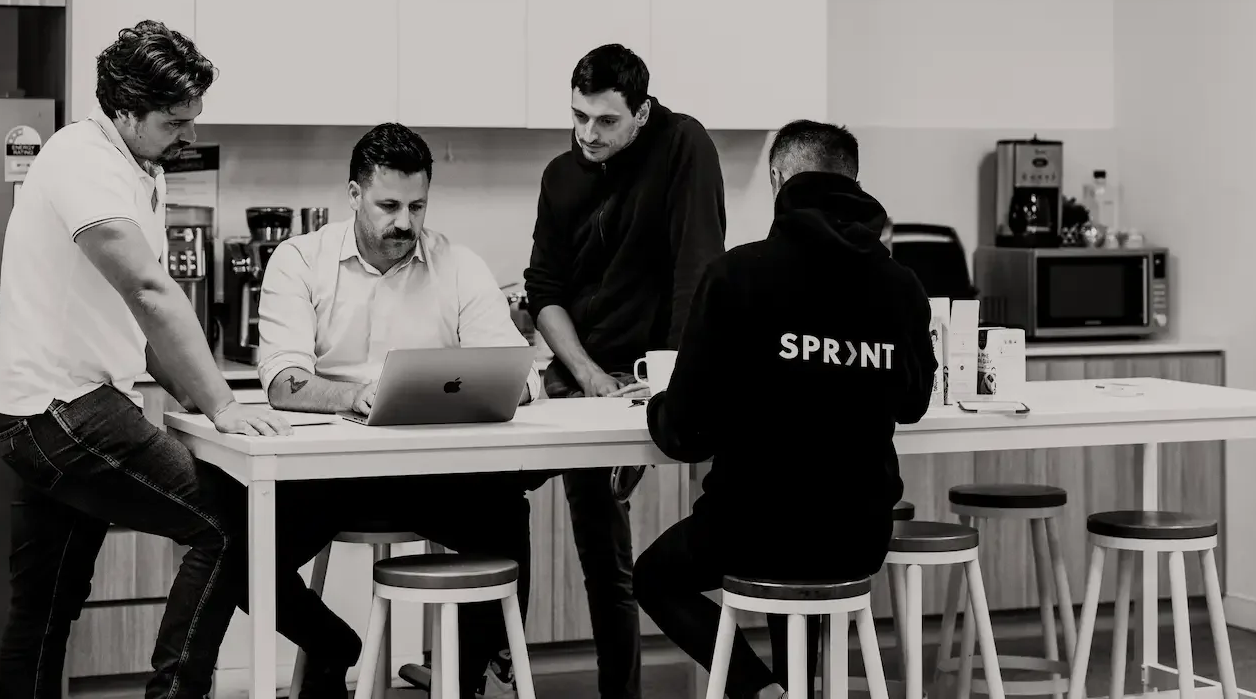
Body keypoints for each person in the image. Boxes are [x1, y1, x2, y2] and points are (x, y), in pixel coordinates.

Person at [0, 21, 290, 699]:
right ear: (124, 110)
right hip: (65, 411)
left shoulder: (130, 168)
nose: (188, 136)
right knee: (229, 528)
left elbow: (145, 332)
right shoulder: (83, 161)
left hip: (37, 412)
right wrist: (223, 404)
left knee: (44, 609)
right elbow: (150, 291)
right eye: (175, 122)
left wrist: (200, 401)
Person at [633, 120, 938, 699]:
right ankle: (798, 687)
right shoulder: (900, 285)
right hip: (857, 533)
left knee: (655, 577)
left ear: (778, 179)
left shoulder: (736, 275)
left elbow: (684, 432)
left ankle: (762, 690)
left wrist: (657, 406)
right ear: (852, 181)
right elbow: (914, 402)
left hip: (753, 527)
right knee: (806, 546)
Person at [245, 122, 541, 699]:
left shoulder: (457, 264)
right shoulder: (300, 259)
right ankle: (332, 643)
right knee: (238, 554)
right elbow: (283, 380)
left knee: (506, 513)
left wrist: (502, 386)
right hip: (326, 475)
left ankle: (467, 675)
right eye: (388, 205)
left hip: (425, 473)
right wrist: (350, 396)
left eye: (417, 205)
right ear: (354, 195)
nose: (404, 222)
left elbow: (521, 373)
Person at [524, 43, 727, 699]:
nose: (588, 134)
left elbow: (697, 267)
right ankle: (492, 664)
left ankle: (628, 694)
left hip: (650, 380)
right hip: (580, 375)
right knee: (487, 491)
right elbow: (544, 291)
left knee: (605, 552)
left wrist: (667, 385)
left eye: (606, 121)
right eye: (579, 117)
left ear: (642, 112)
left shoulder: (682, 145)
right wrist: (584, 373)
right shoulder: (561, 175)